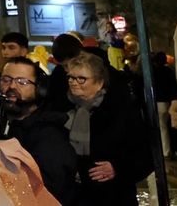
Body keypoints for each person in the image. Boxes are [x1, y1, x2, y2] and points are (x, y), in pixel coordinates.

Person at [63, 51, 154, 204]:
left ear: (99, 83)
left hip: (113, 195)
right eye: (71, 77)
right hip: (75, 196)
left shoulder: (120, 110)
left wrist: (117, 168)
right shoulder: (63, 107)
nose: (73, 82)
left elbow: (146, 156)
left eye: (81, 78)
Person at [0, 57, 76, 203]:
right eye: (6, 80)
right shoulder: (2, 124)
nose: (12, 86)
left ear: (40, 90)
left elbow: (46, 193)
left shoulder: (50, 135)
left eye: (22, 82)